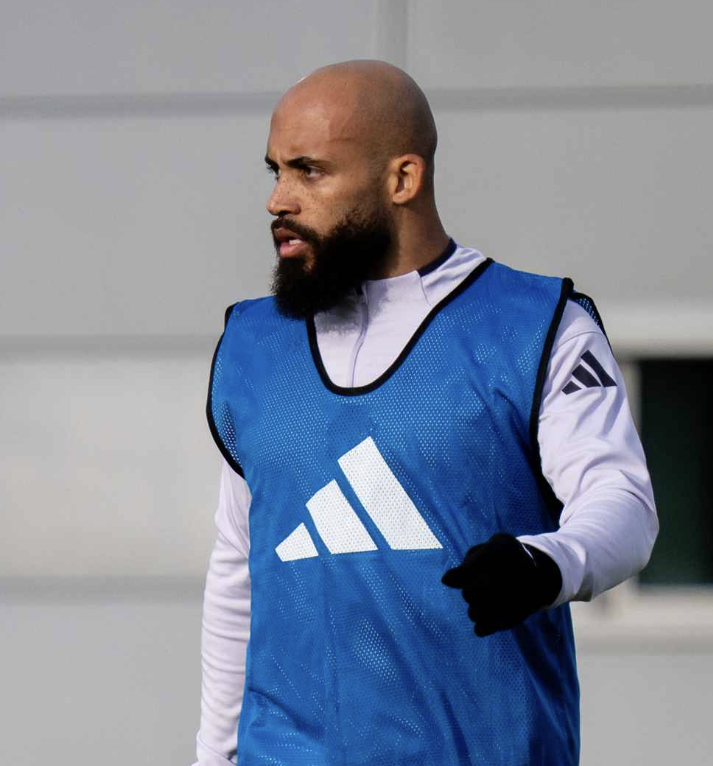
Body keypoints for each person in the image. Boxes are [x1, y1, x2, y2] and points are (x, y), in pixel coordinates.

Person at [194, 60, 657, 766]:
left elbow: (622, 503)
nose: (278, 200)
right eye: (275, 171)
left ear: (403, 179)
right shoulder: (253, 347)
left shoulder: (536, 328)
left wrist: (546, 563)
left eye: (310, 171)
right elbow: (238, 571)